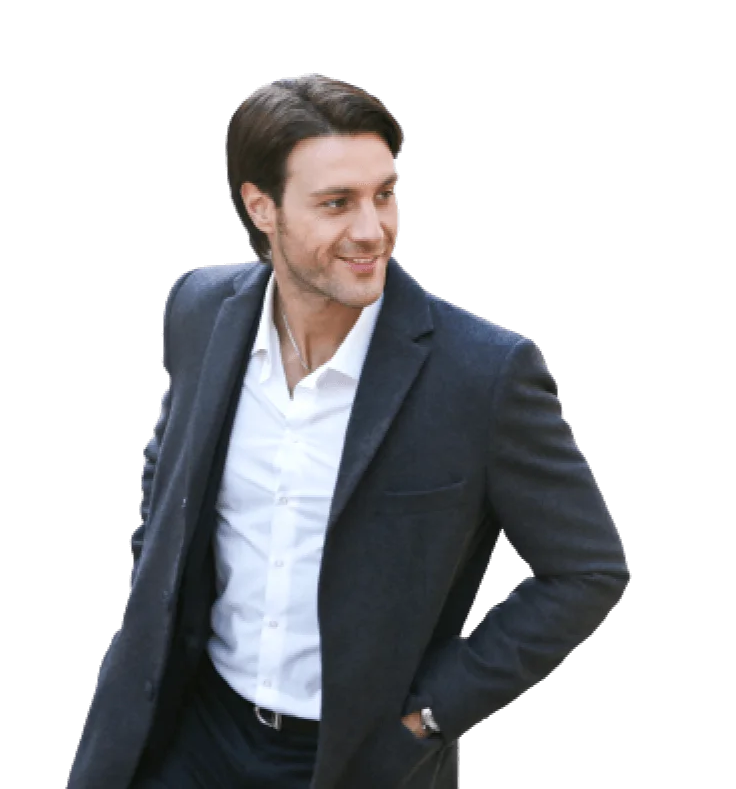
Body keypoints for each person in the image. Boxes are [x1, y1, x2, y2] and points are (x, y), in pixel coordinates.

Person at [67, 77, 630, 789]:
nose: (373, 229)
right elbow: (170, 463)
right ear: (262, 206)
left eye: (384, 194)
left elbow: (588, 571)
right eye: (337, 203)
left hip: (350, 761)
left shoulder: (483, 375)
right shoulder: (200, 309)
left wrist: (429, 718)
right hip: (190, 730)